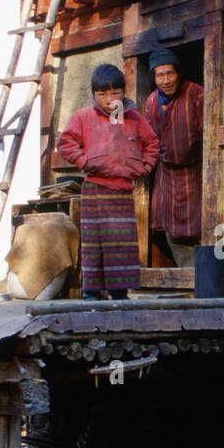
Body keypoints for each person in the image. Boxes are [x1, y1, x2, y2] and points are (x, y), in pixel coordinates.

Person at [57, 63, 158, 299]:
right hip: (94, 190)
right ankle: (90, 292)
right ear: (94, 95)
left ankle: (119, 292)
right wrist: (83, 160)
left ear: (124, 92)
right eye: (101, 94)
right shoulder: (83, 117)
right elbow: (66, 142)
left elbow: (152, 143)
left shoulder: (134, 118)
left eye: (115, 93)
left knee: (121, 245)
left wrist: (146, 166)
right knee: (94, 245)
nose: (108, 99)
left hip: (122, 192)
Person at [143, 48, 204, 268]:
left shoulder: (196, 94)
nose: (166, 80)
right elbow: (148, 137)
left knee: (198, 226)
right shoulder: (151, 102)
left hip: (193, 172)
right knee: (169, 229)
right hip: (166, 173)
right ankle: (188, 274)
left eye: (170, 73)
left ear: (178, 73)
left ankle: (200, 276)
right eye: (160, 75)